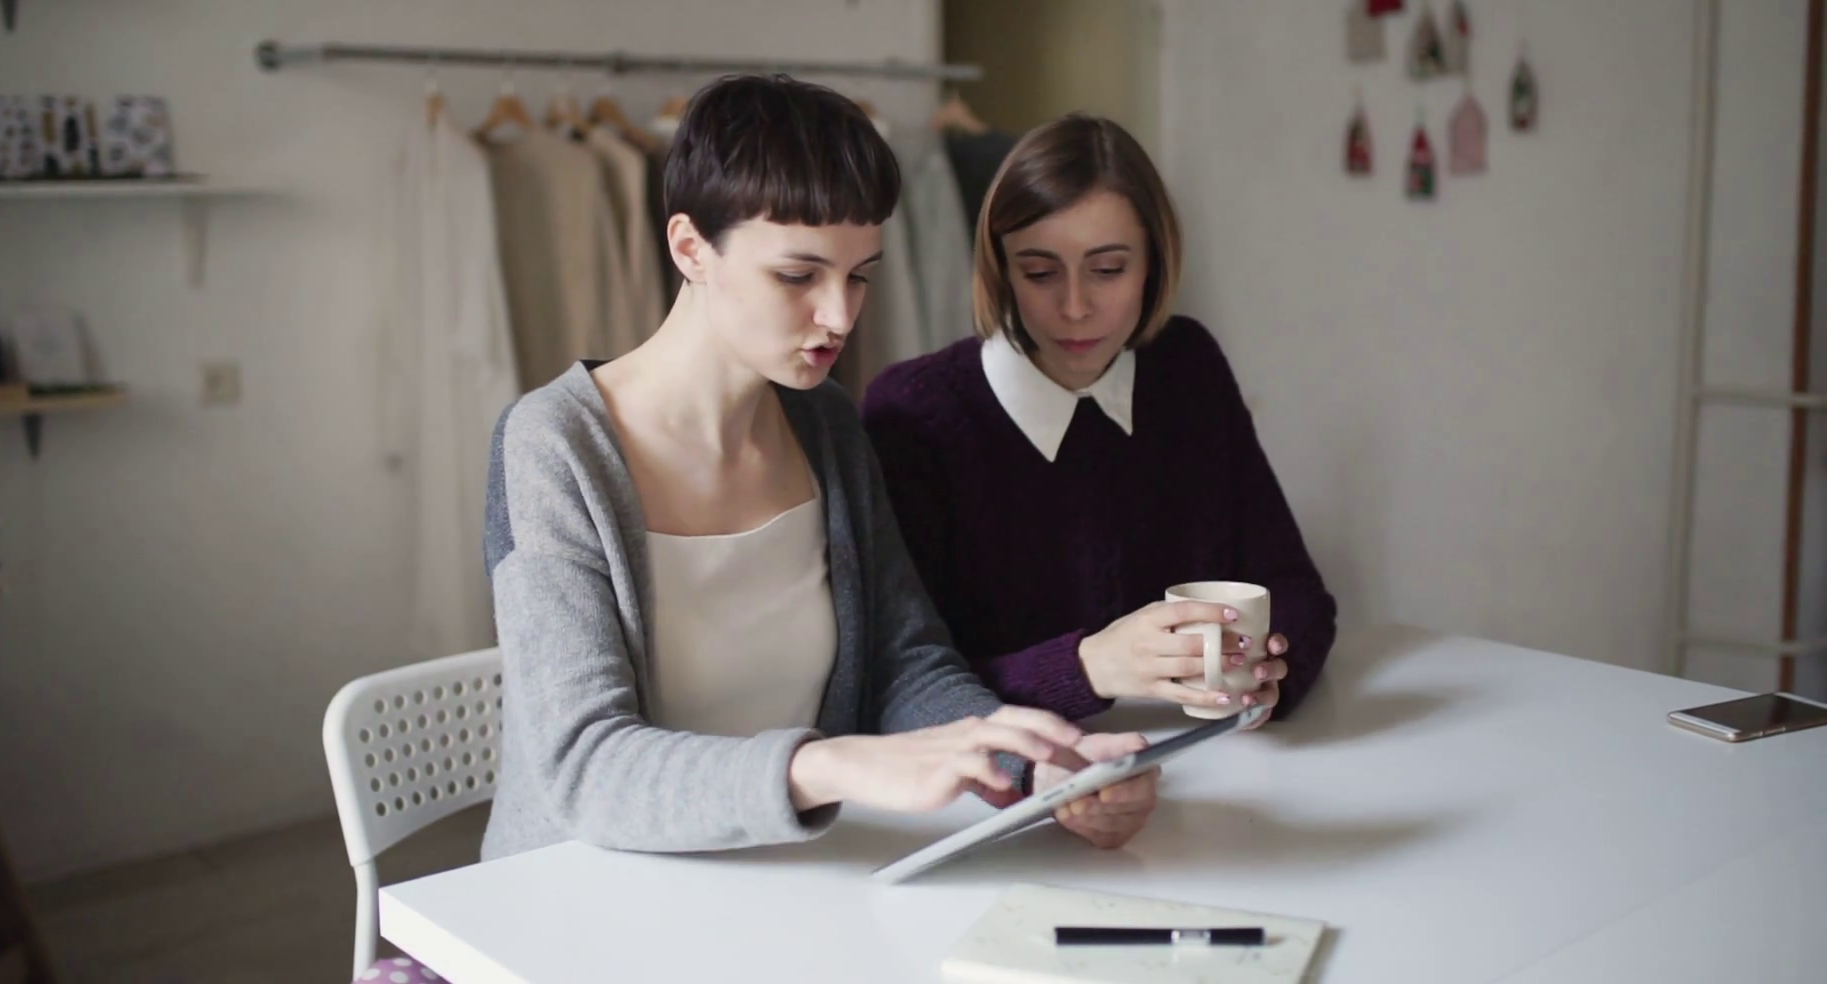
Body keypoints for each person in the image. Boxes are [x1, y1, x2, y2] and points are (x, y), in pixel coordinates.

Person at [480, 77, 1160, 862]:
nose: (839, 316)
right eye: (798, 276)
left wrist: (1033, 767)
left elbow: (904, 666)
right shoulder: (555, 446)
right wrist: (830, 765)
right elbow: (585, 766)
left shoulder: (824, 425)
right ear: (690, 248)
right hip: (575, 888)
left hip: (791, 873)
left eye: (859, 274)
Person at [861, 114, 1338, 726]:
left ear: (1154, 264)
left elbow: (1294, 591)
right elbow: (903, 685)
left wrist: (1270, 674)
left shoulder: (1187, 366)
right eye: (1039, 272)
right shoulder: (914, 413)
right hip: (1018, 770)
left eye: (1108, 269)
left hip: (1209, 757)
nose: (1076, 307)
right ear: (999, 269)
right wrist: (1089, 667)